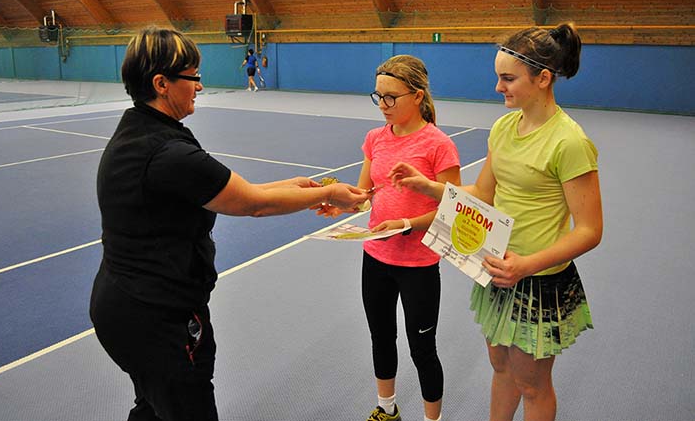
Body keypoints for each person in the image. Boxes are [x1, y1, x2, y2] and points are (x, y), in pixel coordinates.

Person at [90, 27, 369, 421]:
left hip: (129, 305)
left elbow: (234, 192)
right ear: (161, 84)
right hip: (155, 316)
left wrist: (297, 185)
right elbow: (253, 204)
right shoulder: (167, 153)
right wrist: (330, 194)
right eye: (193, 77)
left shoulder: (143, 132)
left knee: (153, 407)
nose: (200, 86)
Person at [388, 23, 603, 421]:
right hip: (496, 270)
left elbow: (590, 231)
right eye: (498, 77)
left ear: (543, 78)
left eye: (508, 78)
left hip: (537, 280)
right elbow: (483, 194)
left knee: (533, 385)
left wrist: (527, 264)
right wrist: (428, 186)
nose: (498, 87)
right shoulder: (504, 127)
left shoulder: (569, 142)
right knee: (502, 368)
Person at [318, 55, 461, 421]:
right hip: (376, 259)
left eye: (391, 97)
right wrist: (341, 205)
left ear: (417, 96)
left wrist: (406, 223)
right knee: (381, 337)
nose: (382, 105)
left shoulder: (438, 145)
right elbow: (365, 195)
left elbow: (453, 210)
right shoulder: (375, 139)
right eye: (378, 96)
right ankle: (387, 409)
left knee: (422, 349)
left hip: (418, 265)